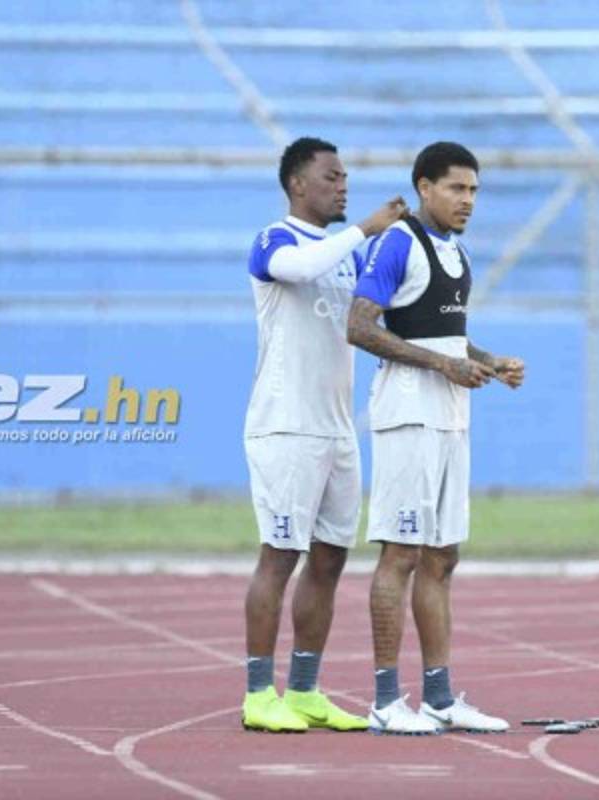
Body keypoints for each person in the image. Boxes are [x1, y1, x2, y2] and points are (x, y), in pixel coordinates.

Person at [346, 141, 525, 735]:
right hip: (408, 414)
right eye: (456, 188)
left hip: (452, 416)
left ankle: (441, 698)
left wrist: (489, 361)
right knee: (400, 554)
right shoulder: (398, 242)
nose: (467, 200)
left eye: (473, 190)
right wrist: (443, 366)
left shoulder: (458, 250)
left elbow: (445, 335)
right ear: (424, 187)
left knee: (443, 556)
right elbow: (359, 327)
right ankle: (384, 701)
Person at [242, 136, 407, 733]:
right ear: (297, 184)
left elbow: (377, 314)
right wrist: (366, 228)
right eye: (331, 177)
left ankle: (305, 690)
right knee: (280, 555)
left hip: (338, 429)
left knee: (331, 558)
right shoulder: (275, 239)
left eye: (346, 178)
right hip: (286, 426)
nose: (343, 186)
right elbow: (301, 268)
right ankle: (258, 694)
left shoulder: (349, 255)